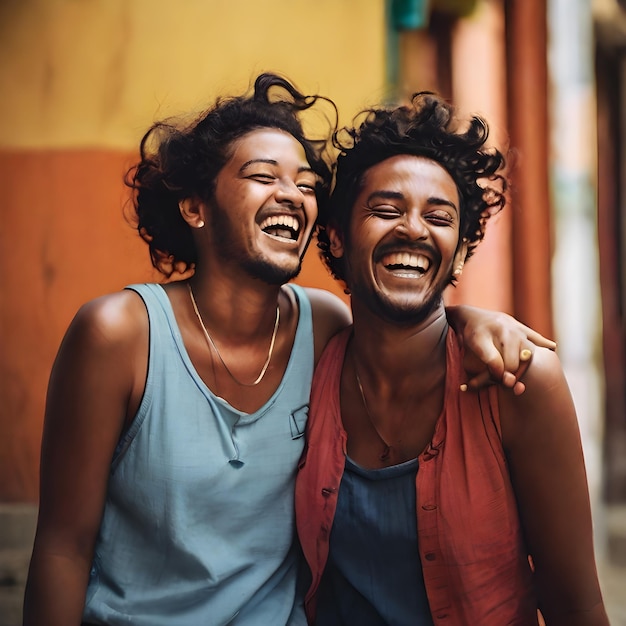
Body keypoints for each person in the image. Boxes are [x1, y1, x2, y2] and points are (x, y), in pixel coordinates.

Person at [23, 74, 553, 626]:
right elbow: (63, 548)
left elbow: (406, 323)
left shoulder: (321, 325)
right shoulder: (119, 335)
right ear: (195, 206)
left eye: (305, 184)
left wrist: (476, 322)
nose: (292, 196)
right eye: (262, 176)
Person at [295, 92, 609, 625]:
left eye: (438, 217)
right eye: (386, 210)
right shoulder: (307, 360)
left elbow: (576, 607)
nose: (413, 229)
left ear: (460, 252)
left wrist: (472, 319)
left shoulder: (519, 383)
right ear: (338, 238)